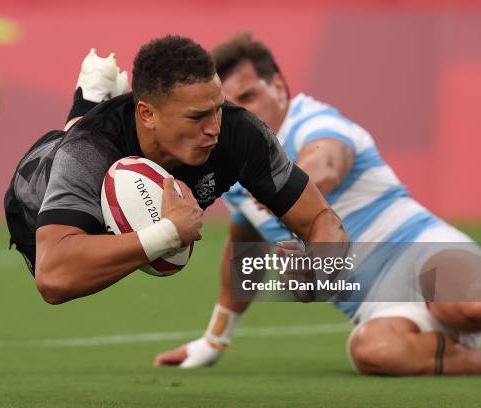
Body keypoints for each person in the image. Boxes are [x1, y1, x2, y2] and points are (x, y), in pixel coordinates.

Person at [154, 33, 481, 375]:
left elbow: (325, 163)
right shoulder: (236, 169)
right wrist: (213, 341)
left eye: (248, 96)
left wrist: (283, 190)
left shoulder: (313, 121)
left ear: (278, 87)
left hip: (425, 253)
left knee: (465, 306)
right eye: (225, 107)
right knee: (374, 352)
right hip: (379, 307)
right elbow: (243, 253)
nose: (237, 115)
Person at [4, 35, 348, 306]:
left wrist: (321, 273)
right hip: (37, 182)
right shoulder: (86, 150)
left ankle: (94, 101)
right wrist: (168, 233)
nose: (214, 128)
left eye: (217, 109)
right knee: (69, 147)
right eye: (197, 116)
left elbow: (322, 218)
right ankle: (88, 102)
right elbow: (53, 279)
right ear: (148, 114)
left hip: (122, 147)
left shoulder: (241, 132)